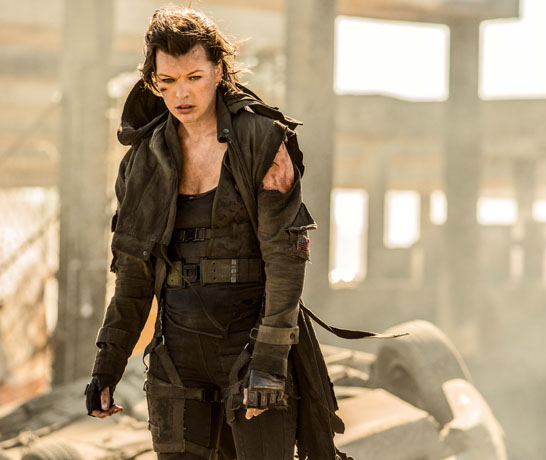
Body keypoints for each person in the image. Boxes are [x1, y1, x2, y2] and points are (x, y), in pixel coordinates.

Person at [84, 7, 350, 460]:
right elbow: (132, 275)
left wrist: (269, 361)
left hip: (250, 341)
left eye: (194, 77)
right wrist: (107, 365)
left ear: (218, 71)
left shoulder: (262, 140)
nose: (182, 93)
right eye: (167, 81)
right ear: (153, 82)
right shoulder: (142, 160)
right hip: (177, 353)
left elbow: (286, 261)